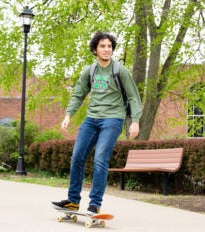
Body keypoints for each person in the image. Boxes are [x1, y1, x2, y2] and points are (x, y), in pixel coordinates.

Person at [52, 32, 142, 214]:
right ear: (95, 49)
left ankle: (94, 204)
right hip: (92, 119)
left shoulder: (120, 70)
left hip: (113, 118)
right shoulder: (90, 71)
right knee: (77, 157)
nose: (107, 49)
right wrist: (68, 115)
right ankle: (73, 201)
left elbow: (133, 96)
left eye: (109, 46)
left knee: (100, 158)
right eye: (102, 46)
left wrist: (135, 121)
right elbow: (78, 94)